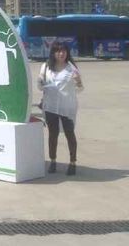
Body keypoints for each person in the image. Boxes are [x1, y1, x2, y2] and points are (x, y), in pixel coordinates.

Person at [37, 41, 84, 175]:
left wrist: (78, 80)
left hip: (67, 107)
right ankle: (53, 161)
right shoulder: (45, 67)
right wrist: (40, 82)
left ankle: (72, 162)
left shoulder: (71, 68)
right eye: (58, 51)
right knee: (53, 134)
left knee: (70, 134)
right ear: (53, 53)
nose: (61, 53)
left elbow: (80, 89)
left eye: (63, 51)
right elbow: (39, 86)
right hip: (50, 106)